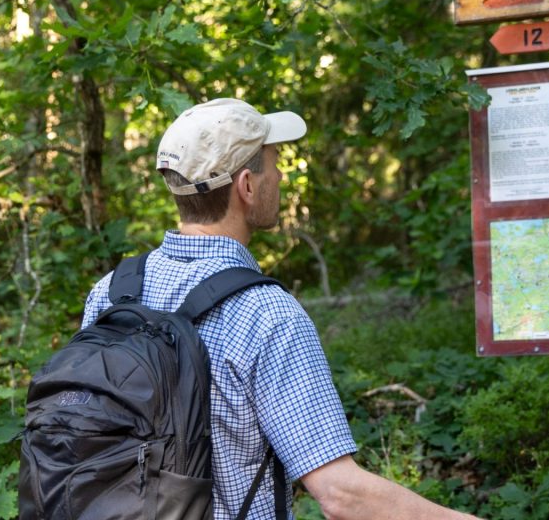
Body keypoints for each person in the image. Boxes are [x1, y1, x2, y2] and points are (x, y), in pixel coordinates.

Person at [80, 98, 479, 520]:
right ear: (247, 186)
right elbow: (340, 494)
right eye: (273, 163)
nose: (282, 175)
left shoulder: (112, 293)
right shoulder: (267, 315)